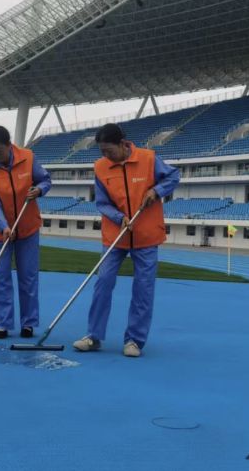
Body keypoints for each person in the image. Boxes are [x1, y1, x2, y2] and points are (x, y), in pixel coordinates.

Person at [73, 124, 180, 358]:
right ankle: (93, 336)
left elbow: (174, 175)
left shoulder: (148, 158)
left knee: (143, 289)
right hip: (116, 235)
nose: (105, 155)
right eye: (101, 151)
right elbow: (102, 203)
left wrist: (157, 191)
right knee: (103, 283)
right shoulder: (100, 167)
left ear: (122, 144)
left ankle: (134, 341)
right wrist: (118, 217)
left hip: (146, 235)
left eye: (109, 150)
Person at [0, 125, 51, 339]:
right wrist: (4, 226)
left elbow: (45, 180)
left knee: (28, 277)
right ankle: (2, 324)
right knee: (0, 278)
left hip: (28, 228)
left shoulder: (28, 157)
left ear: (9, 145)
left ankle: (29, 323)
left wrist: (40, 190)